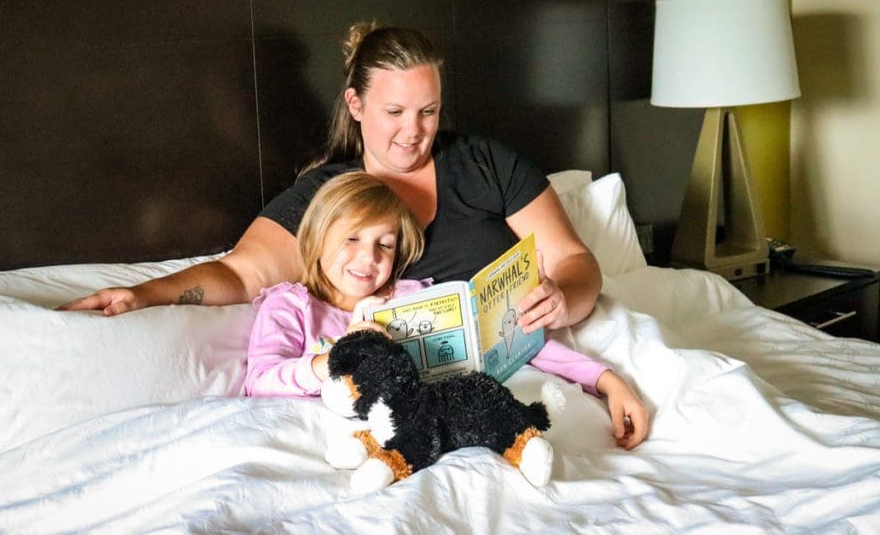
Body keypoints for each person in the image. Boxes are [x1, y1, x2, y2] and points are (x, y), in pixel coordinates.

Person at [58, 21, 603, 336]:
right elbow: (241, 276)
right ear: (356, 105)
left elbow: (574, 262)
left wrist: (564, 299)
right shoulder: (327, 195)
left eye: (429, 111)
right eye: (395, 112)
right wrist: (144, 294)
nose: (414, 132)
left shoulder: (486, 162)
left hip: (516, 367)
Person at [245, 171, 649, 450]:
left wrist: (606, 379)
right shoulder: (291, 305)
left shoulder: (411, 297)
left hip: (438, 431)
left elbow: (514, 338)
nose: (367, 258)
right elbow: (259, 381)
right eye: (351, 238)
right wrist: (335, 359)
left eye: (384, 245)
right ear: (317, 236)